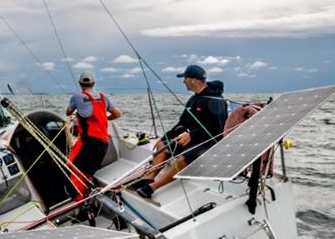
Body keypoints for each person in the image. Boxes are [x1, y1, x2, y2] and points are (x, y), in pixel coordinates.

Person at [134, 64, 227, 198]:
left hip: (210, 142)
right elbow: (182, 123)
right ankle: (147, 179)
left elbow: (217, 130)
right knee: (162, 146)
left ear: (193, 80)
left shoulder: (215, 101)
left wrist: (191, 135)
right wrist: (165, 137)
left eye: (185, 79)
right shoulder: (194, 99)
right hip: (194, 138)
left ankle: (152, 187)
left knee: (182, 159)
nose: (183, 82)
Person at [66, 70, 122, 199]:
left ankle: (78, 202)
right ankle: (87, 199)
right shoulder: (103, 97)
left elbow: (68, 113)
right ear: (94, 83)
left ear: (80, 84)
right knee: (86, 173)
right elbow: (117, 114)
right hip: (103, 144)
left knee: (73, 169)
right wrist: (103, 118)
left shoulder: (76, 97)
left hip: (88, 142)